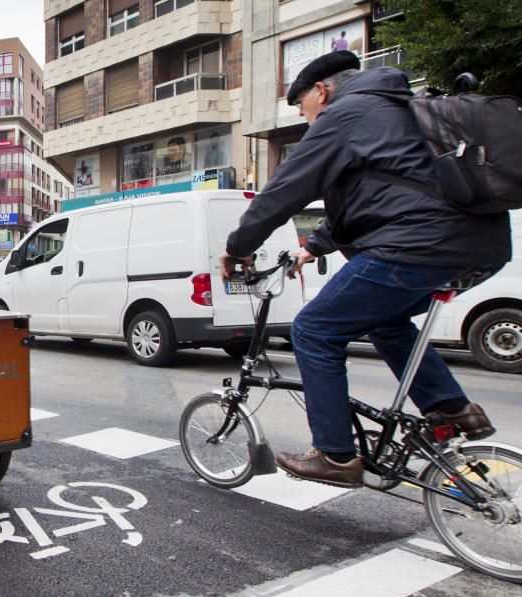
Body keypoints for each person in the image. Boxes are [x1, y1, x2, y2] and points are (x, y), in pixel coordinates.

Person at [219, 51, 510, 488]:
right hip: (482, 245)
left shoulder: (347, 114)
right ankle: (453, 407)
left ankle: (335, 455)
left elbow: (284, 190)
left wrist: (237, 248)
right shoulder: (404, 109)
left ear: (321, 90)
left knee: (314, 330)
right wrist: (313, 246)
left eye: (301, 107)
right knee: (387, 321)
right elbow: (385, 194)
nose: (305, 117)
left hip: (416, 246)